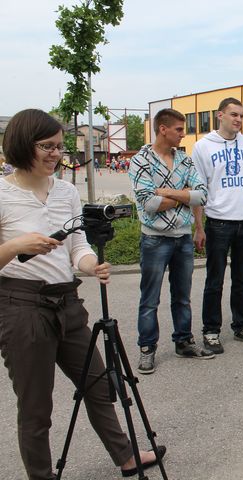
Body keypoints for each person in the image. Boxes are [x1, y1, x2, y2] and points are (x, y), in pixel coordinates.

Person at [0, 109, 163, 480]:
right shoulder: (3, 194)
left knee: (98, 384)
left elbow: (77, 246)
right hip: (21, 307)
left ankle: (126, 456)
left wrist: (91, 265)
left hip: (66, 301)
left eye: (60, 147)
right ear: (23, 145)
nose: (56, 154)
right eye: (47, 146)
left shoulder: (66, 191)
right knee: (36, 406)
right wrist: (17, 246)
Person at [129, 108, 213, 375]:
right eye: (178, 129)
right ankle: (147, 348)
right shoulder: (140, 160)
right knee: (150, 298)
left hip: (183, 237)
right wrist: (184, 195)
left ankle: (184, 341)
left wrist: (167, 192)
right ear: (162, 129)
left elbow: (203, 195)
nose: (183, 134)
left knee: (182, 296)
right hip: (154, 239)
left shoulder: (184, 160)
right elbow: (149, 203)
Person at [192, 97, 243, 354]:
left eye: (241, 115)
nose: (239, 119)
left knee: (241, 280)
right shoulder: (203, 147)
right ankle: (211, 330)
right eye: (234, 114)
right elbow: (198, 190)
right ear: (220, 116)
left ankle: (242, 325)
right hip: (218, 223)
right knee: (214, 280)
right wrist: (199, 227)